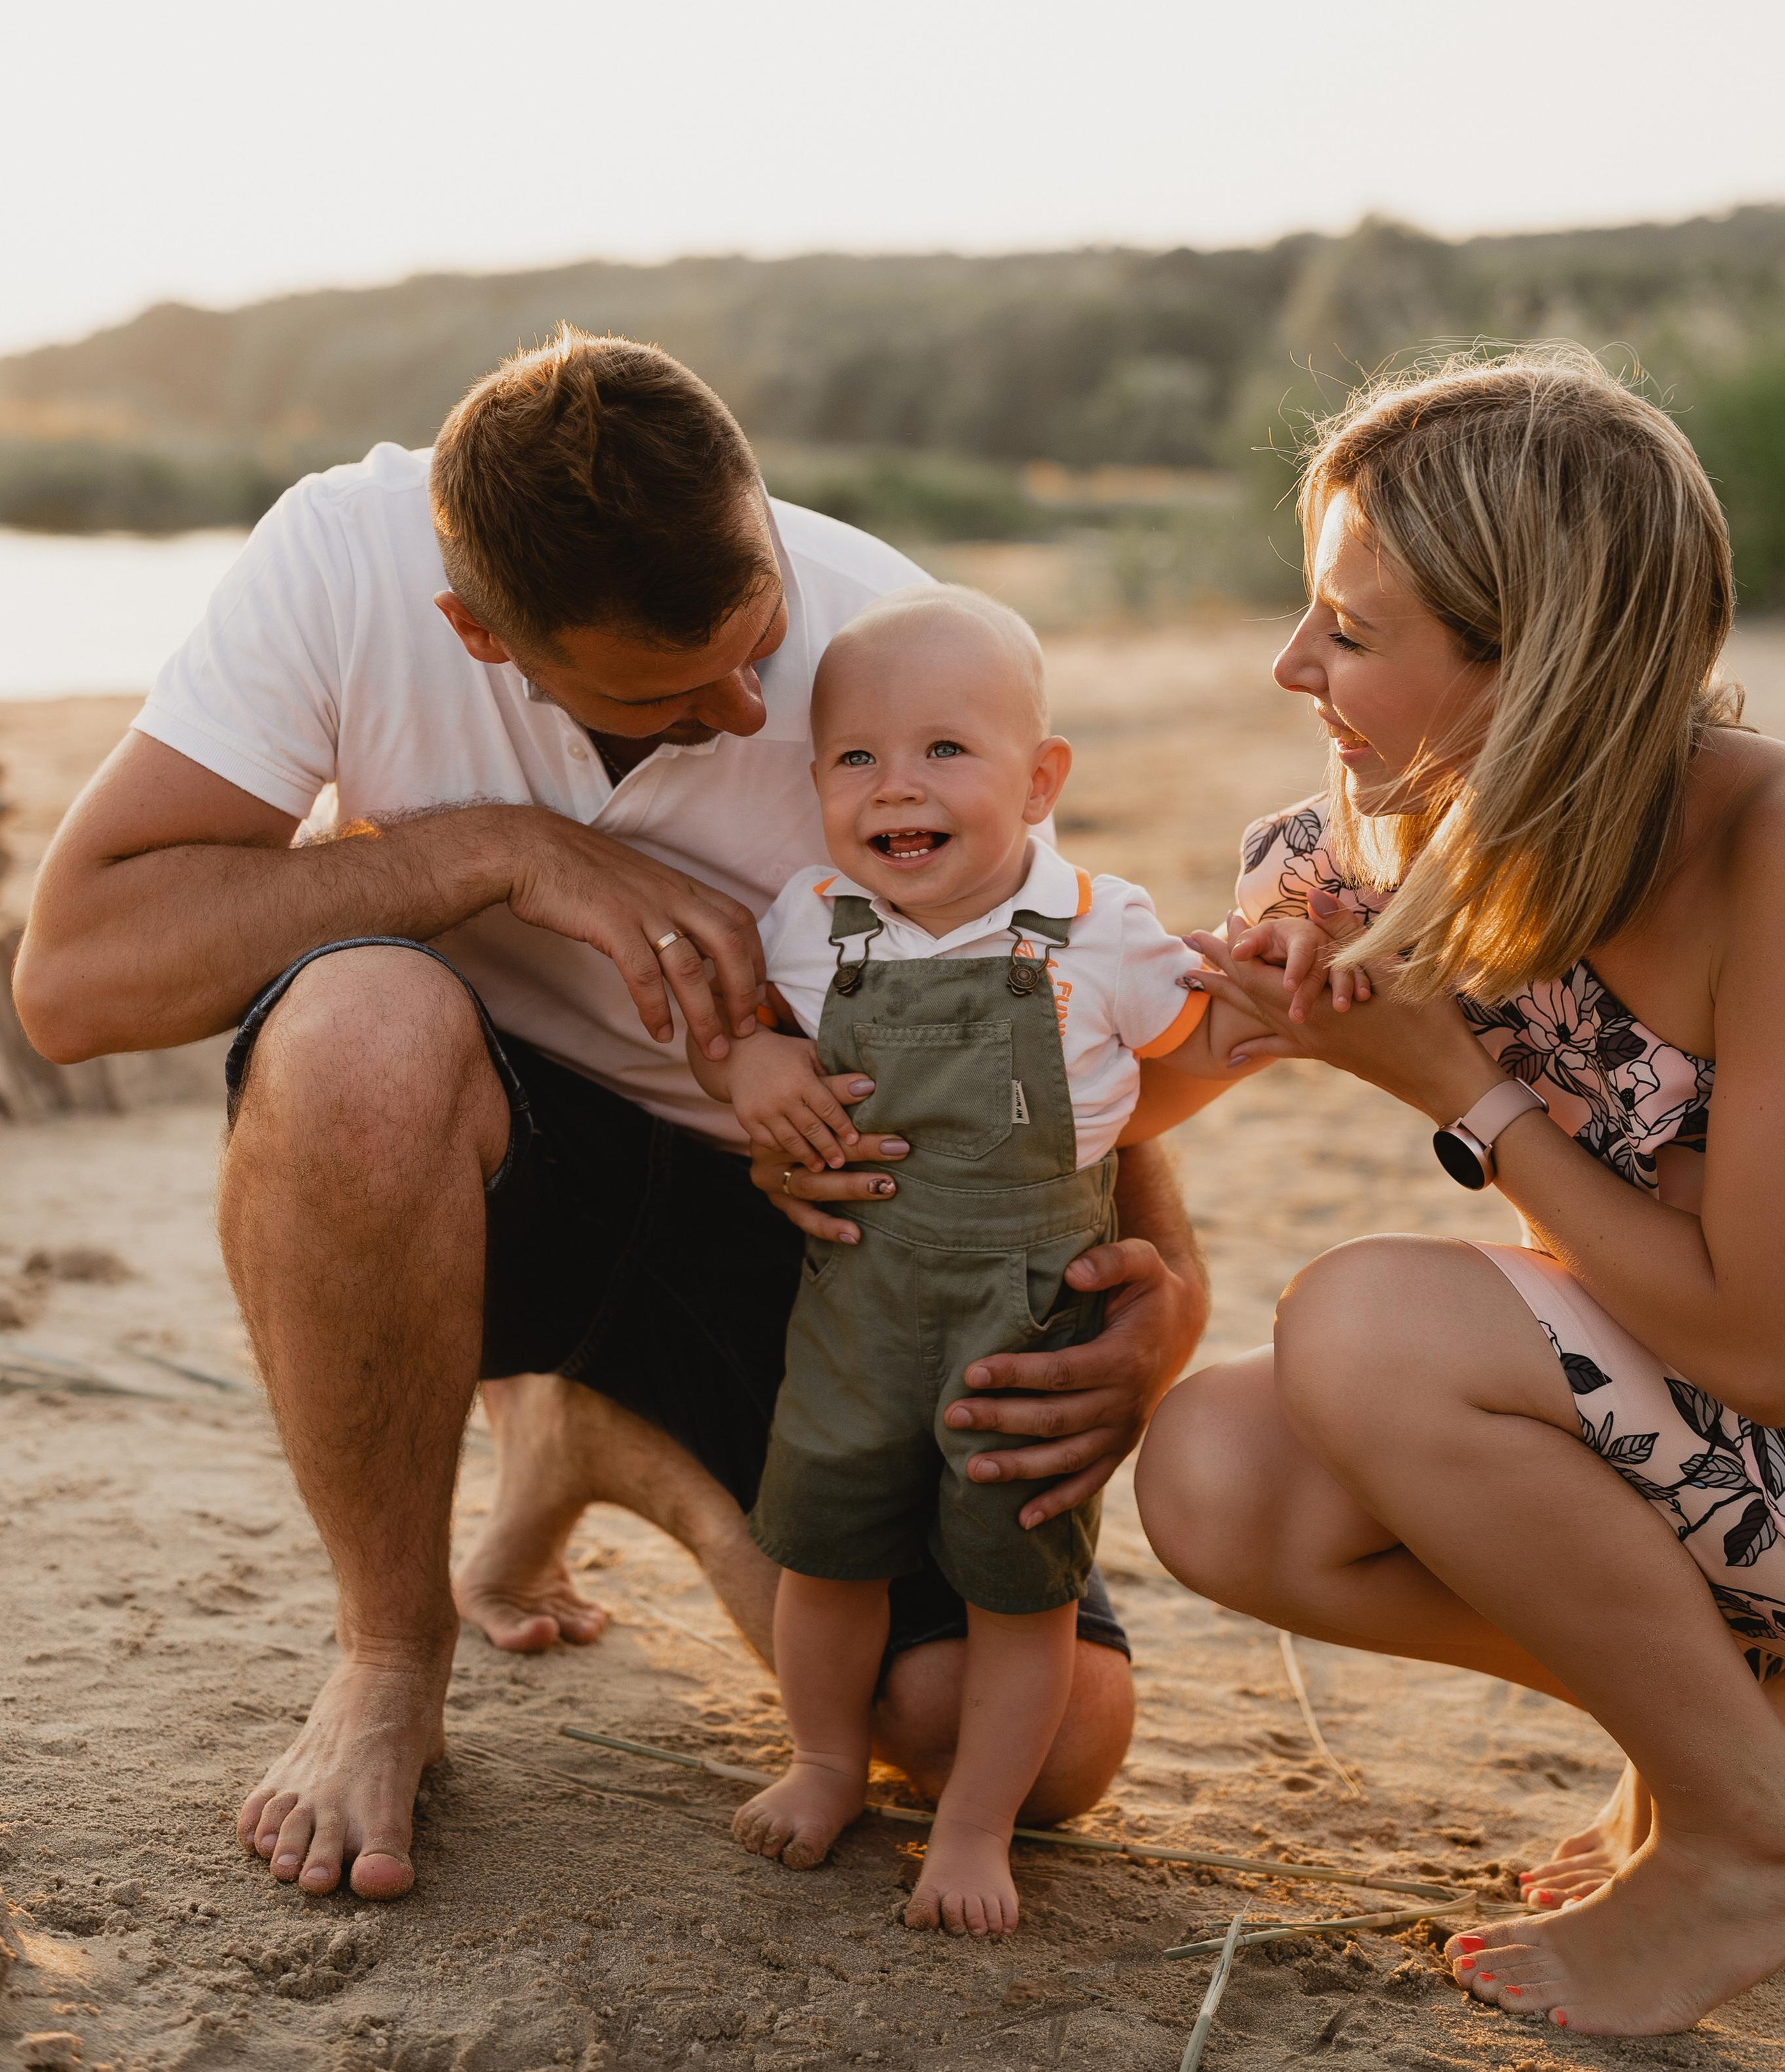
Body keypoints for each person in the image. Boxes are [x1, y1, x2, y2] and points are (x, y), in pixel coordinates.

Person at [14, 328, 1207, 1901]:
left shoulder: (888, 648)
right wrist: (492, 851)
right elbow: (76, 981)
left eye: (754, 637)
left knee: (1041, 1753)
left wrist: (1160, 1293)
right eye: (669, 692)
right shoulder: (343, 565)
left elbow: (1046, 992)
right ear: (478, 633)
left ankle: (609, 1439)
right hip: (492, 1160)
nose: (742, 704)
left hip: (814, 1212)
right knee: (358, 1019)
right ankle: (391, 1649)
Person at [1130, 348, 1785, 2040]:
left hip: (1761, 1398)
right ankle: (1719, 1737)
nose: (1290, 665)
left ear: (1535, 666)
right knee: (1218, 1472)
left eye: (1346, 630)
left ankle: (1745, 1836)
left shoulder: (1767, 850)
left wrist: (1459, 1089)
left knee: (1371, 1321)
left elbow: (1757, 1344)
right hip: (1709, 1457)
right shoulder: (1370, 838)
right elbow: (1128, 1096)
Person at [690, 586, 1226, 1935]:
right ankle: (825, 1763)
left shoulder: (1098, 929)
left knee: (1014, 1581)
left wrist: (1285, 988)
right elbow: (742, 1023)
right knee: (825, 1553)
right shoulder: (815, 919)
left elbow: (1204, 1042)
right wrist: (752, 1055)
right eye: (855, 759)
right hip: (858, 1309)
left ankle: (977, 1826)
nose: (895, 787)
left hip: (1028, 1318)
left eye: (944, 751)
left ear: (1040, 779)